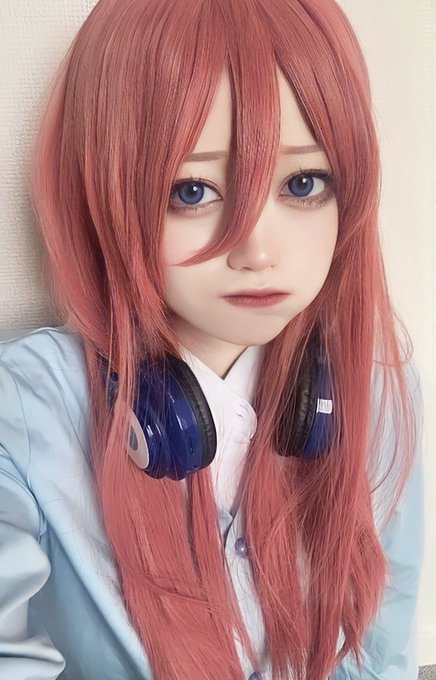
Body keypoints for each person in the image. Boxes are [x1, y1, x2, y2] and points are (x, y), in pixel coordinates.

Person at [0, 0, 425, 678]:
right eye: (193, 191)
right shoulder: (28, 410)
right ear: (110, 194)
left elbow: (378, 656)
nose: (258, 250)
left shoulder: (374, 390)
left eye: (303, 183)